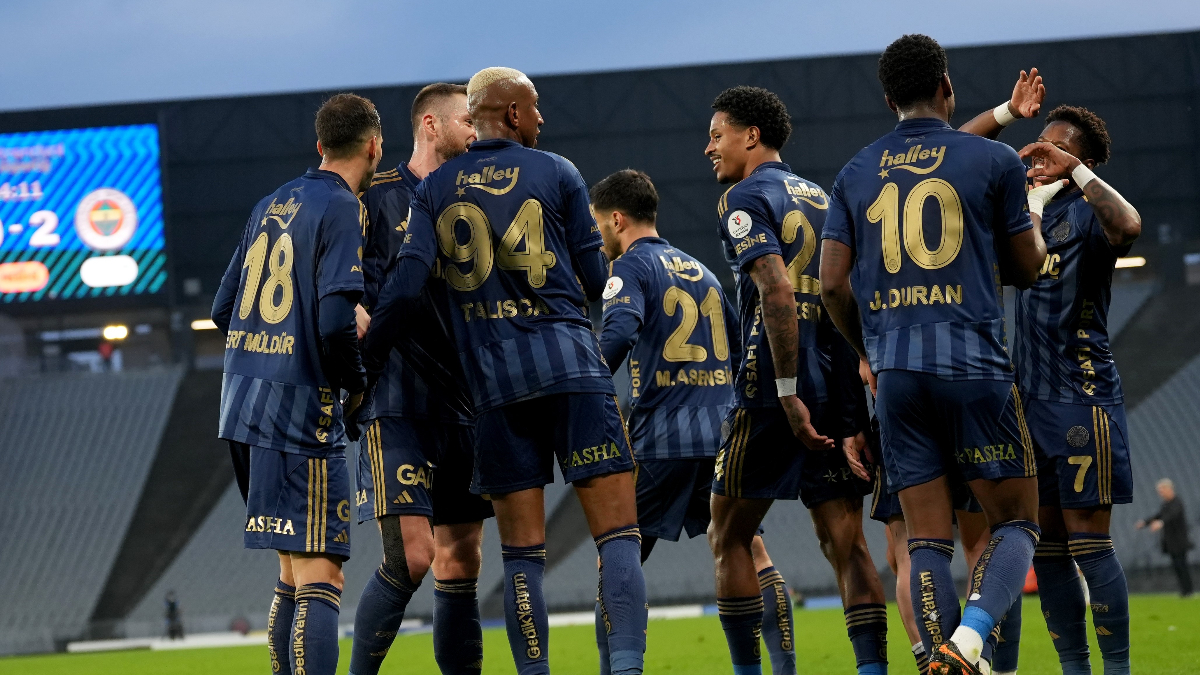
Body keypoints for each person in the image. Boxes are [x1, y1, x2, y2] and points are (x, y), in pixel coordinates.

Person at [359, 67, 647, 675]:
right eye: (534, 107)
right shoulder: (558, 171)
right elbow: (598, 281)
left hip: (493, 387)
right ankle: (626, 668)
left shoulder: (433, 192)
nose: (541, 117)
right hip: (573, 371)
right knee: (618, 536)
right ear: (513, 113)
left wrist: (363, 363)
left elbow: (405, 290)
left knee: (521, 557)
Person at [820, 34, 1050, 675]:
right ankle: (971, 643)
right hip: (974, 366)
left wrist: (867, 346)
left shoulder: (855, 171)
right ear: (947, 86)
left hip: (897, 374)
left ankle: (941, 664)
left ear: (887, 98)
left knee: (924, 541)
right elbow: (1027, 268)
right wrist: (1029, 219)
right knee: (1016, 525)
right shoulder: (994, 161)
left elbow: (831, 285)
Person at [703, 85, 889, 675]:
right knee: (847, 543)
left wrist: (785, 392)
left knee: (728, 537)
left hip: (771, 390)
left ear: (751, 136)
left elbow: (777, 289)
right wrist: (852, 413)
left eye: (717, 135)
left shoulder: (742, 198)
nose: (709, 148)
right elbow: (841, 299)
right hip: (832, 389)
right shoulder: (824, 199)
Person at [593, 169, 802, 674]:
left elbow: (618, 333)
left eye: (597, 223)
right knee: (748, 548)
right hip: (722, 437)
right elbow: (741, 348)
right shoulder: (702, 272)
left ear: (616, 219)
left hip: (660, 439)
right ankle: (782, 669)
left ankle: (618, 669)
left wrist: (586, 388)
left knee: (616, 558)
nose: (597, 235)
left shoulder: (629, 267)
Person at [212, 93, 381, 675]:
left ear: (319, 145)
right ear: (374, 146)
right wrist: (356, 387)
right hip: (299, 414)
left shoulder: (270, 203)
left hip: (242, 409)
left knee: (291, 573)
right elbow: (335, 323)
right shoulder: (341, 207)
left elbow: (222, 309)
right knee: (321, 578)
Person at [348, 83, 495, 675]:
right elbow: (339, 278)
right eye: (467, 121)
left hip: (465, 402)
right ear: (431, 125)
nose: (476, 133)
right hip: (397, 398)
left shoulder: (475, 199)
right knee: (412, 557)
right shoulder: (376, 196)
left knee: (462, 560)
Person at [1014, 104, 1142, 675]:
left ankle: (1118, 670)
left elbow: (1129, 227)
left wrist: (1076, 172)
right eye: (1039, 144)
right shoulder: (1029, 215)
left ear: (1078, 162)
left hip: (1081, 397)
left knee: (1089, 543)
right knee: (1046, 549)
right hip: (1029, 401)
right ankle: (1075, 669)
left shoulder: (1090, 214)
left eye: (1055, 149)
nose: (1040, 155)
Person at [1138, 478, 1193, 597]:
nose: (1160, 493)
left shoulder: (1177, 502)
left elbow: (1170, 515)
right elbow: (1159, 515)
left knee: (1182, 565)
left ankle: (1188, 591)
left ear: (1169, 489)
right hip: (1171, 542)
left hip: (1179, 541)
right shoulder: (1166, 504)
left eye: (1162, 490)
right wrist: (1145, 522)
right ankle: (1184, 591)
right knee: (1177, 566)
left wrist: (1161, 523)